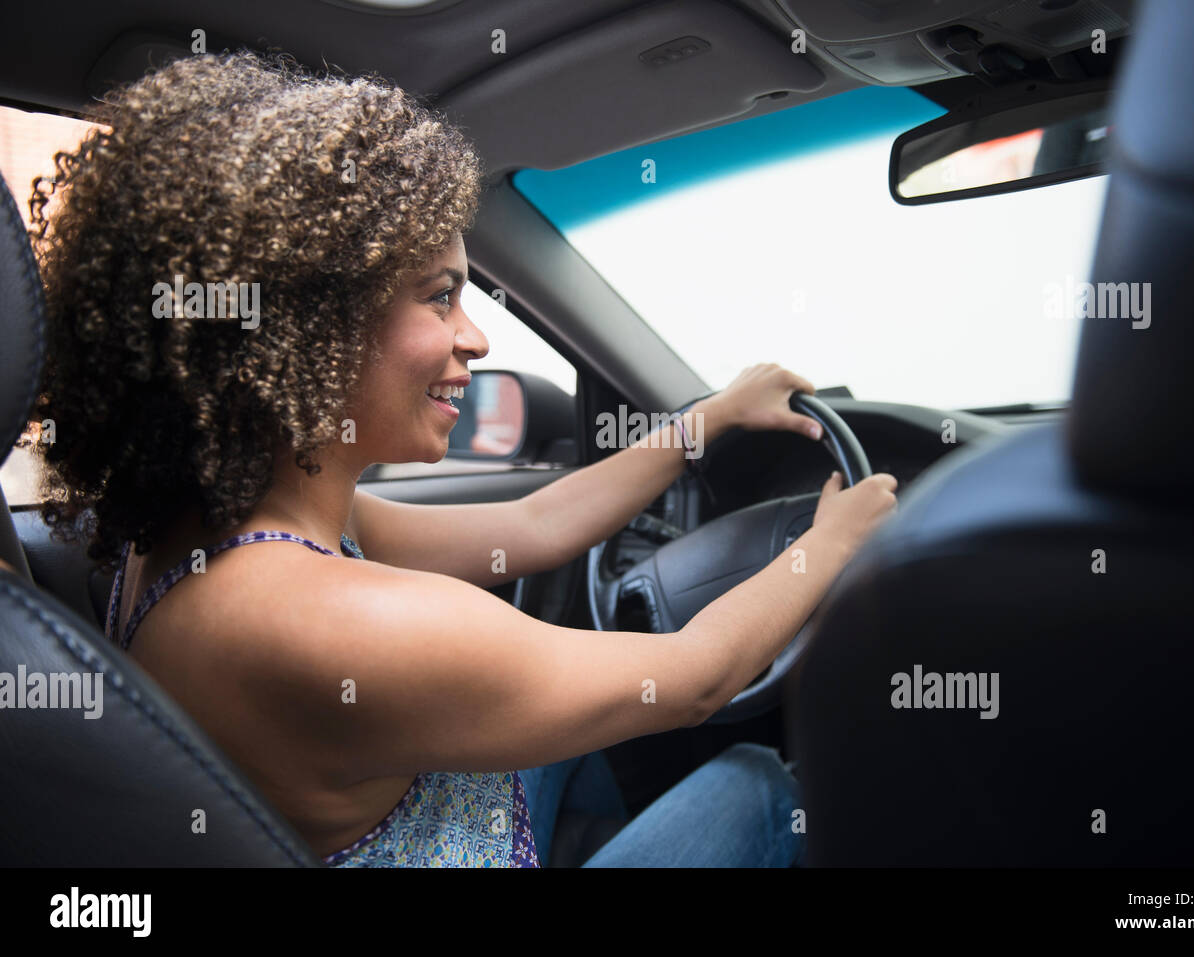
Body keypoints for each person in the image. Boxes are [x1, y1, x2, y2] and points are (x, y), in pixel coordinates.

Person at [29, 51, 897, 867]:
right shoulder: (332, 626)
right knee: (755, 779)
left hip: (454, 807)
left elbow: (536, 521)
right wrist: (830, 544)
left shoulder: (228, 516)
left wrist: (700, 421)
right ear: (308, 323)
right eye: (440, 296)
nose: (475, 337)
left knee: (594, 742)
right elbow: (698, 680)